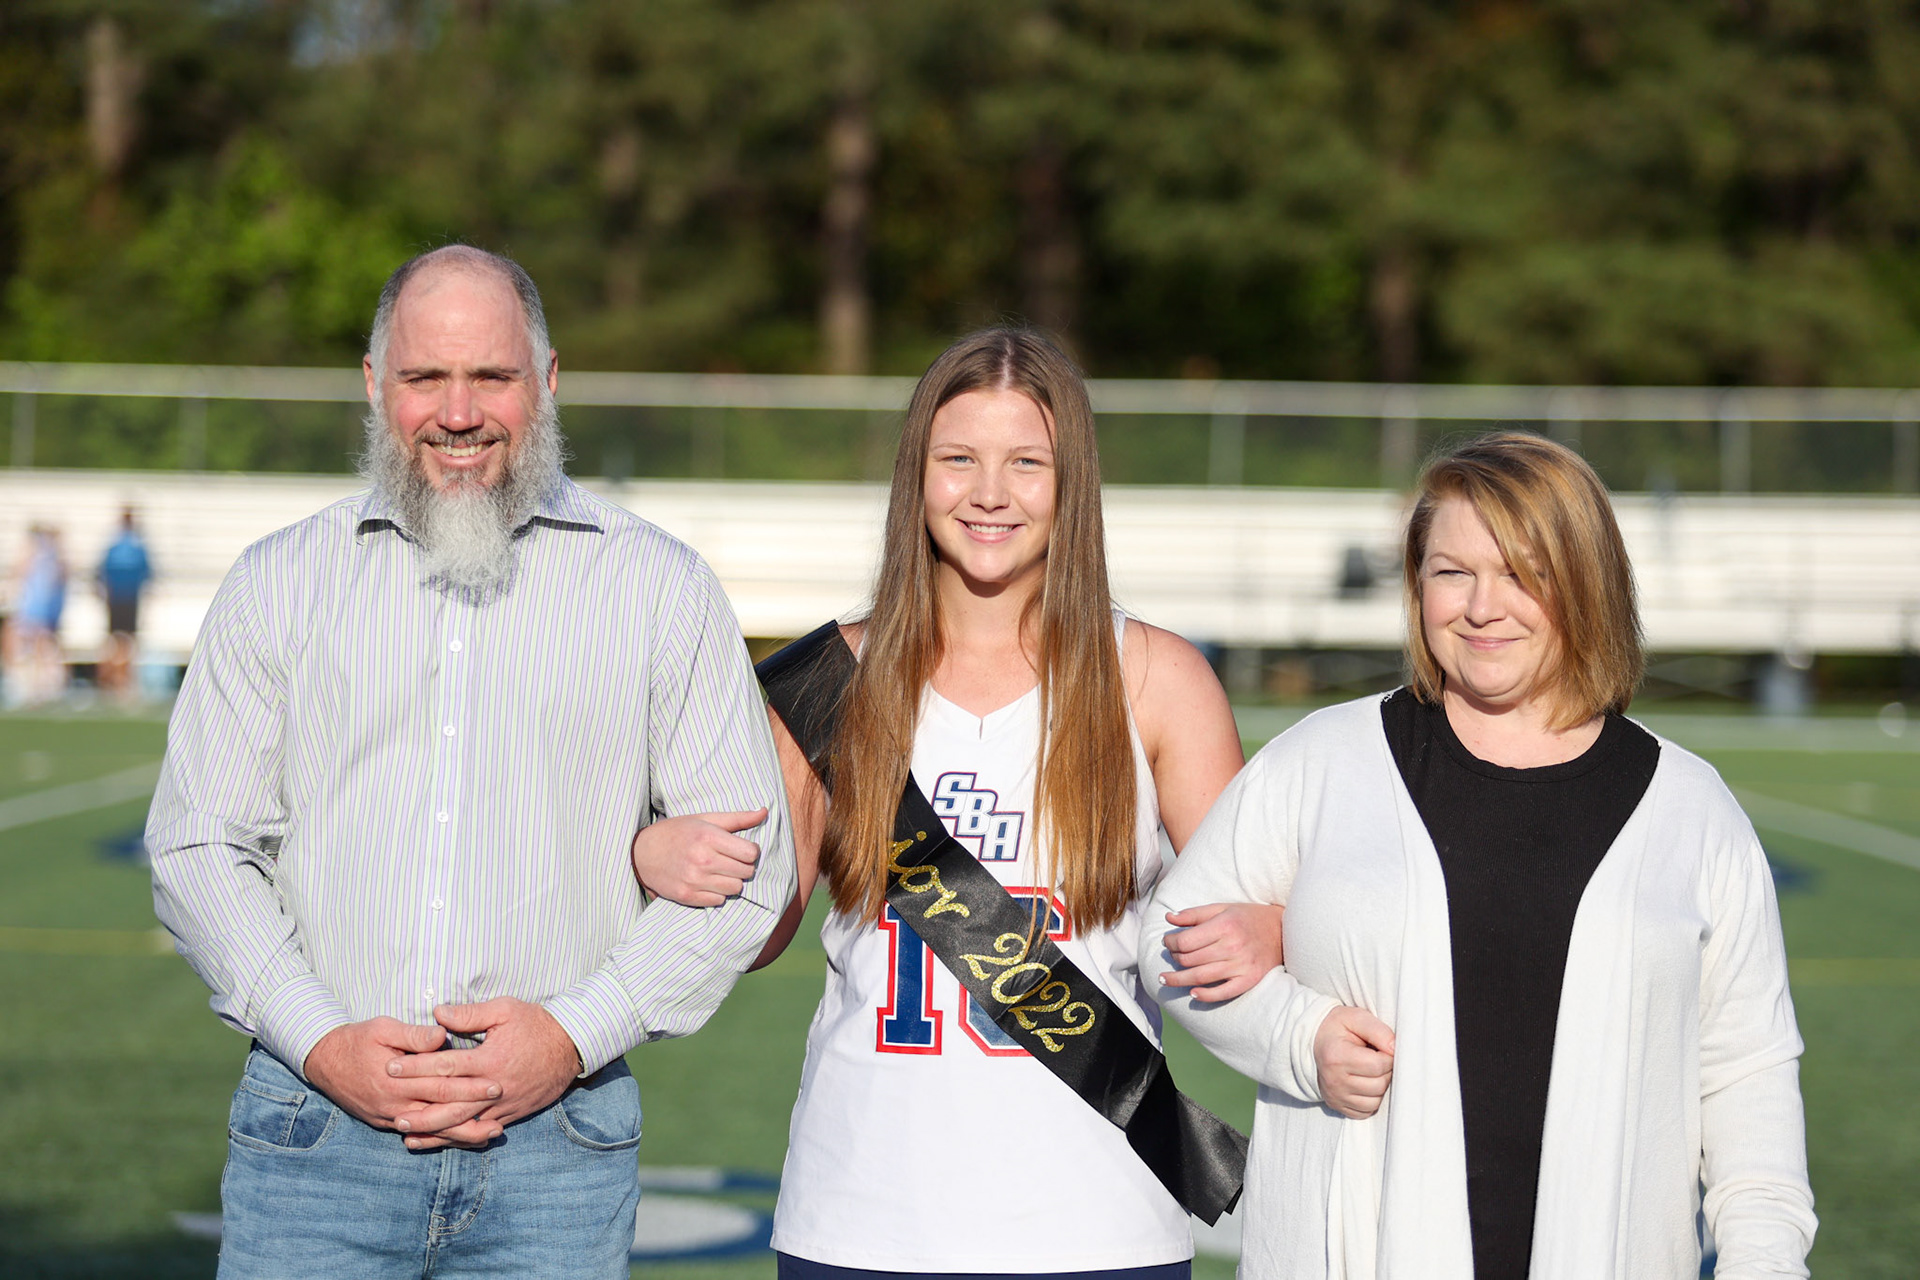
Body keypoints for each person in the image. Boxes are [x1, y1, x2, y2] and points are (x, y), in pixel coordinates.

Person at [146, 244, 794, 1278]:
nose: (458, 411)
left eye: (490, 375)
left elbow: (752, 871)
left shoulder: (660, 588)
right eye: (424, 378)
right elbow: (195, 845)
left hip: (560, 1147)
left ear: (544, 381)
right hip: (314, 1135)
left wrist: (573, 1037)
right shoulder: (277, 584)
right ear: (374, 383)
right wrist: (321, 1043)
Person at [634, 327, 1285, 1279]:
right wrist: (655, 856)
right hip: (860, 1217)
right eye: (959, 460)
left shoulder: (1157, 677)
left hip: (1099, 1224)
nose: (991, 493)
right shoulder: (825, 682)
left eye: (1028, 463)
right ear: (916, 476)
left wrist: (1267, 925)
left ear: (1074, 484)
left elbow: (1250, 915)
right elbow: (757, 931)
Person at [1140, 432, 1816, 1279]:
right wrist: (1298, 1037)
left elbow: (1747, 1074)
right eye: (1451, 572)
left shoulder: (1689, 807)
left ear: (1588, 582)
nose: (1482, 606)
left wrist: (1766, 1263)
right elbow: (1167, 938)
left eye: (1524, 573)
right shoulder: (1326, 760)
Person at [96, 504, 154, 699]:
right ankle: (115, 682)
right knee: (122, 642)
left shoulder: (121, 545)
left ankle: (118, 682)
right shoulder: (130, 546)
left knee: (122, 642)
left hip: (124, 598)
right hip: (123, 598)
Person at [8, 522, 67, 705]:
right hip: (31, 609)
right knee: (29, 649)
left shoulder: (48, 559)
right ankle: (29, 688)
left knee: (41, 650)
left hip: (41, 610)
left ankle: (41, 688)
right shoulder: (35, 558)